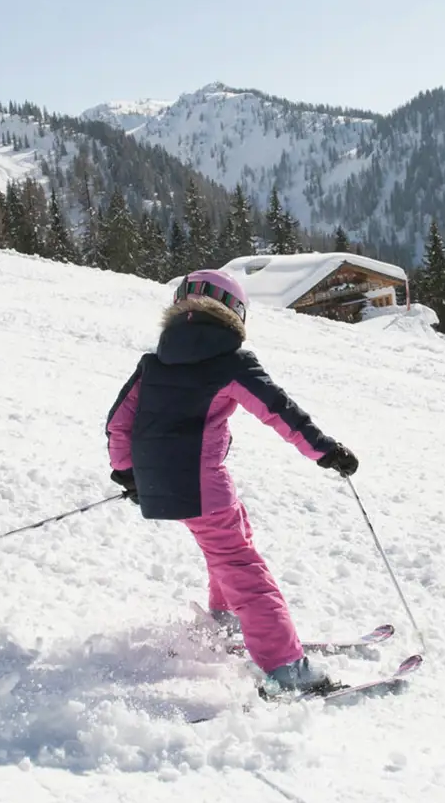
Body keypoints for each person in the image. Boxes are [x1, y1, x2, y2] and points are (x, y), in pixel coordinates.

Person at [105, 269, 359, 699]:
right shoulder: (232, 362)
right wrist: (325, 451)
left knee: (231, 539)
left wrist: (128, 474)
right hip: (202, 486)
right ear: (234, 313)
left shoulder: (152, 364)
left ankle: (227, 618)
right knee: (242, 566)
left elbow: (118, 424)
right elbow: (279, 411)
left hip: (165, 485)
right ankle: (286, 667)